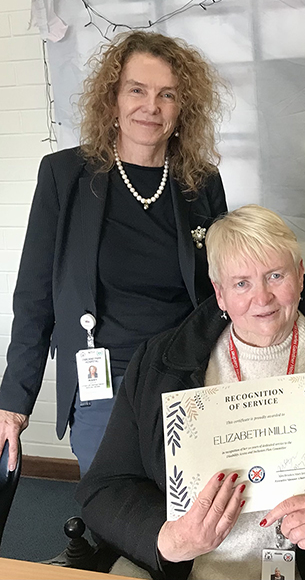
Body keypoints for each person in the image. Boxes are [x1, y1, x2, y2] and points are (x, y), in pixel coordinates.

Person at [76, 205, 305, 580]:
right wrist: (166, 539)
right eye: (241, 283)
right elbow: (103, 488)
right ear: (219, 294)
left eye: (276, 275)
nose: (262, 297)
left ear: (300, 276)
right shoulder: (160, 366)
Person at [0, 31, 228, 475]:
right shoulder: (64, 175)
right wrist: (13, 403)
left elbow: (223, 288)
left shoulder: (201, 182)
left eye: (168, 95)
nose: (152, 106)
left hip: (185, 379)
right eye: (137, 90)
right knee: (113, 518)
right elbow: (34, 297)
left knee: (189, 514)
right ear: (112, 102)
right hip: (101, 386)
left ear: (183, 110)